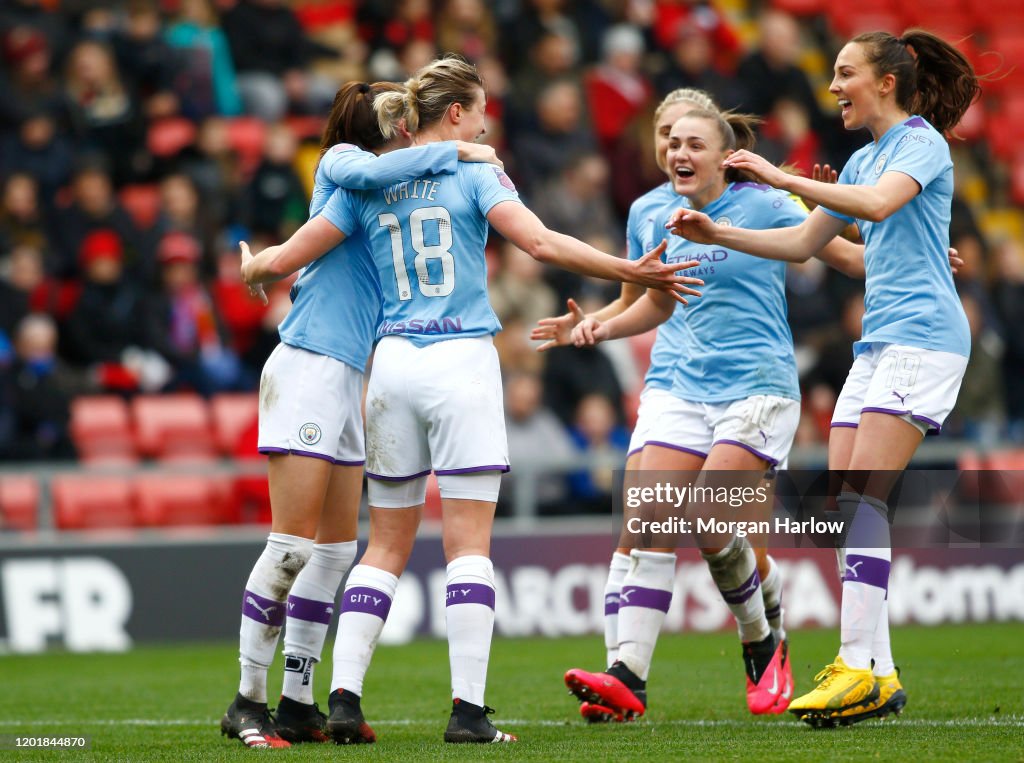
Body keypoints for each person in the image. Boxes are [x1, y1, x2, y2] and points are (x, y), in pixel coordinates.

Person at [240, 55, 703, 745]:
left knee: (385, 544)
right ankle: (468, 712)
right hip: (460, 359)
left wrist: (256, 264)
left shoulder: (368, 179)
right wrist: (626, 268)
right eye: (481, 109)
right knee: (468, 545)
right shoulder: (475, 168)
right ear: (456, 112)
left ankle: (341, 698)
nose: (487, 123)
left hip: (391, 364)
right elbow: (540, 242)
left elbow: (298, 251)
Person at [666, 29, 979, 726]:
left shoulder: (920, 144)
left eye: (845, 73)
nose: (833, 86)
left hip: (923, 341)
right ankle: (880, 671)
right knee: (846, 506)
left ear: (886, 83)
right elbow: (807, 244)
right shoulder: (865, 157)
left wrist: (780, 177)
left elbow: (872, 209)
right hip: (879, 346)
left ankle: (853, 664)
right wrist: (721, 235)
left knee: (864, 497)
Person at [543, 101, 875, 722]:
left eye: (693, 143)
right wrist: (594, 327)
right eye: (671, 141)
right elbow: (652, 305)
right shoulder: (648, 212)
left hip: (756, 386)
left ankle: (761, 638)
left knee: (709, 520)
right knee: (648, 520)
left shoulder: (767, 203)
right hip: (677, 386)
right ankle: (628, 678)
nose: (678, 152)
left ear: (725, 156)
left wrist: (862, 225)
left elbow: (851, 260)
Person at [221, 79, 502, 750]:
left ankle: (297, 701)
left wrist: (265, 261)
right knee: (291, 545)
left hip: (351, 375)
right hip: (308, 364)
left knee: (335, 549)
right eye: (395, 108)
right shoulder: (345, 166)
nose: (406, 118)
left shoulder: (389, 188)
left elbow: (296, 251)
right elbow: (372, 169)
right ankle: (246, 701)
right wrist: (460, 153)